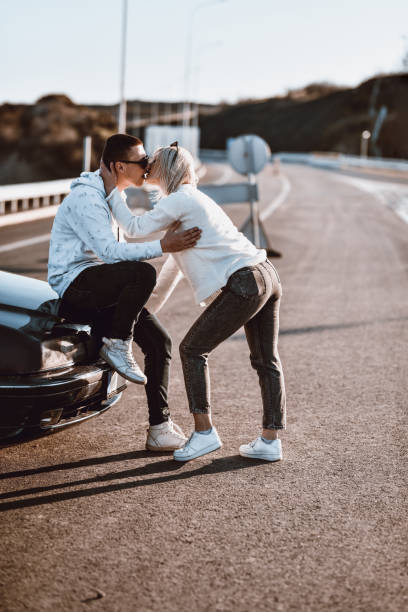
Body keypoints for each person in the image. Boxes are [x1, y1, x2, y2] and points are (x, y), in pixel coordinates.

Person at [100, 142, 286, 463]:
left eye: (152, 161)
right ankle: (270, 441)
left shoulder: (181, 199)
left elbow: (133, 228)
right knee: (265, 361)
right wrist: (138, 317)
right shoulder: (191, 202)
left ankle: (204, 433)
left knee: (191, 350)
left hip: (246, 282)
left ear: (167, 168)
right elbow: (171, 272)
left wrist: (111, 189)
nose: (146, 166)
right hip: (266, 276)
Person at [48, 134, 201, 451]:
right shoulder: (87, 199)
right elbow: (110, 251)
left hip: (101, 285)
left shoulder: (113, 192)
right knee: (142, 271)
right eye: (142, 162)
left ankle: (159, 428)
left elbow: (147, 214)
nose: (147, 168)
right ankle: (117, 343)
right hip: (76, 288)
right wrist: (163, 246)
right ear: (119, 165)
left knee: (160, 342)